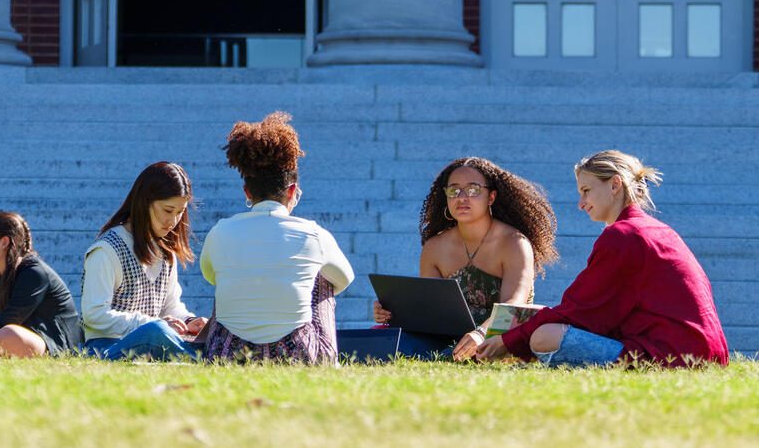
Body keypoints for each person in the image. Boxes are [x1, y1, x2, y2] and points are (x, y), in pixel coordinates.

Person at [476, 150, 729, 367]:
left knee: (545, 336)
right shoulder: (657, 230)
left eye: (586, 191)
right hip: (706, 353)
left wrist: (508, 341)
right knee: (546, 323)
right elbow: (597, 311)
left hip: (672, 357)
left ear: (615, 185)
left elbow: (578, 311)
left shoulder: (623, 235)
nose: (581, 203)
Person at [199, 112, 354, 364]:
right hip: (298, 354)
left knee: (228, 276)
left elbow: (210, 275)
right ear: (292, 190)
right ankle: (328, 361)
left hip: (228, 353)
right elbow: (345, 279)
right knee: (322, 276)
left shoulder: (219, 231)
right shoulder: (313, 234)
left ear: (247, 191)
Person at [373, 156, 558, 359]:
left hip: (499, 339)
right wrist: (393, 313)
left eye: (473, 190)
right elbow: (430, 311)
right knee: (381, 341)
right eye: (453, 190)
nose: (461, 197)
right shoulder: (434, 247)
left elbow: (513, 305)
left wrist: (480, 334)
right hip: (448, 339)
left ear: (491, 197)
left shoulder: (515, 243)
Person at [81, 161, 206, 360]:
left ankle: (205, 355)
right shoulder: (107, 249)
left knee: (179, 331)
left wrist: (189, 321)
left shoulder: (166, 251)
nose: (173, 221)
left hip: (153, 342)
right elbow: (94, 313)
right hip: (106, 348)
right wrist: (151, 324)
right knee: (155, 330)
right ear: (145, 202)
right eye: (167, 210)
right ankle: (205, 361)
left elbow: (170, 307)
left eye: (180, 212)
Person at [0, 211, 81, 357]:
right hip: (8, 338)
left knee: (10, 333)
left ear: (4, 242)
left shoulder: (34, 274)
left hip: (56, 347)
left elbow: (6, 321)